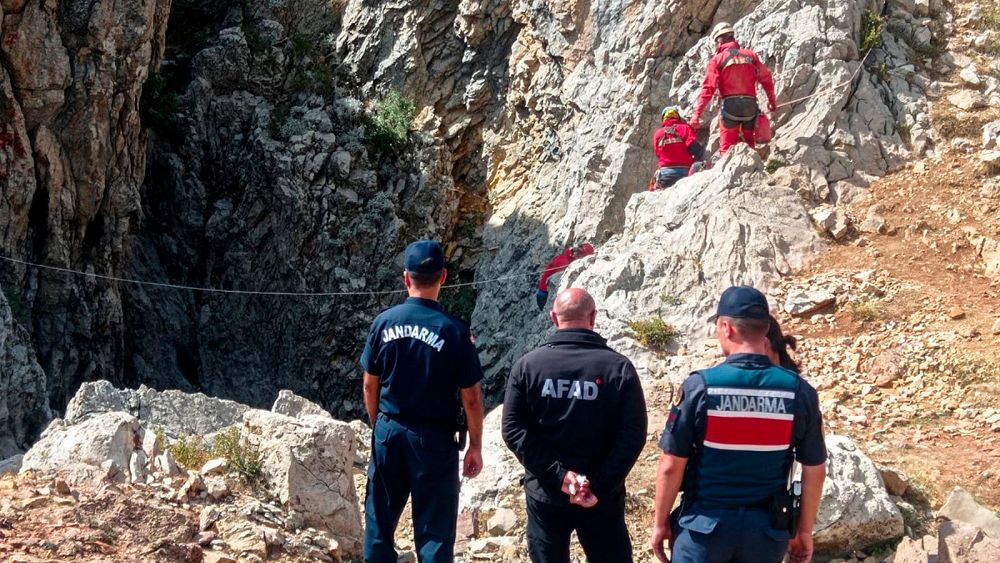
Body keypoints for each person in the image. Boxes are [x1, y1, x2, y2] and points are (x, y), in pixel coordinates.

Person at [651, 286, 826, 563]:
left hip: (703, 530)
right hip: (765, 535)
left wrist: (660, 523)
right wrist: (803, 530)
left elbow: (671, 464)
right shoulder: (799, 392)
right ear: (766, 328)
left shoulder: (700, 388)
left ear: (726, 327)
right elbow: (814, 469)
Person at [361, 240, 486, 563]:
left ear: (406, 278)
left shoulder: (383, 323)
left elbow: (369, 383)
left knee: (379, 521)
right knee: (434, 532)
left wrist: (379, 424)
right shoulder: (455, 332)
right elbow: (471, 399)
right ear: (443, 276)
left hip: (389, 430)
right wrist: (475, 445)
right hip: (433, 439)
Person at [503, 288, 648, 563]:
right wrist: (600, 484)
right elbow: (633, 435)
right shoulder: (619, 368)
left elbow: (513, 429)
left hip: (546, 493)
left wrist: (559, 476)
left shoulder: (528, 366)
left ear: (553, 318)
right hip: (600, 496)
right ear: (593, 317)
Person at [689, 23, 778, 156]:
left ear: (719, 40)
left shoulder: (717, 60)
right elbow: (766, 79)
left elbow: (709, 88)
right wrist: (772, 102)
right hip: (750, 107)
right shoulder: (750, 56)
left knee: (726, 149)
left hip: (730, 107)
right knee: (750, 144)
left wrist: (697, 114)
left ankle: (728, 171)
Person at [652, 106, 705, 191]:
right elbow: (694, 147)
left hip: (665, 174)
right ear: (678, 117)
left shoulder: (658, 134)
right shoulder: (685, 128)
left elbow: (658, 154)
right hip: (685, 172)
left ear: (664, 119)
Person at [536, 243, 596, 310]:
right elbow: (557, 279)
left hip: (543, 284)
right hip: (545, 290)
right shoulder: (564, 263)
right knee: (543, 306)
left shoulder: (569, 252)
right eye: (581, 255)